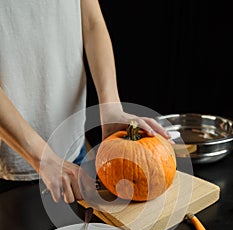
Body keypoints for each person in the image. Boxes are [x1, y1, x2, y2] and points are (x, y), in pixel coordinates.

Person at [0, 0, 171, 204]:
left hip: (73, 149)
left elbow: (92, 23)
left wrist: (111, 107)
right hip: (9, 167)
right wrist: (42, 157)